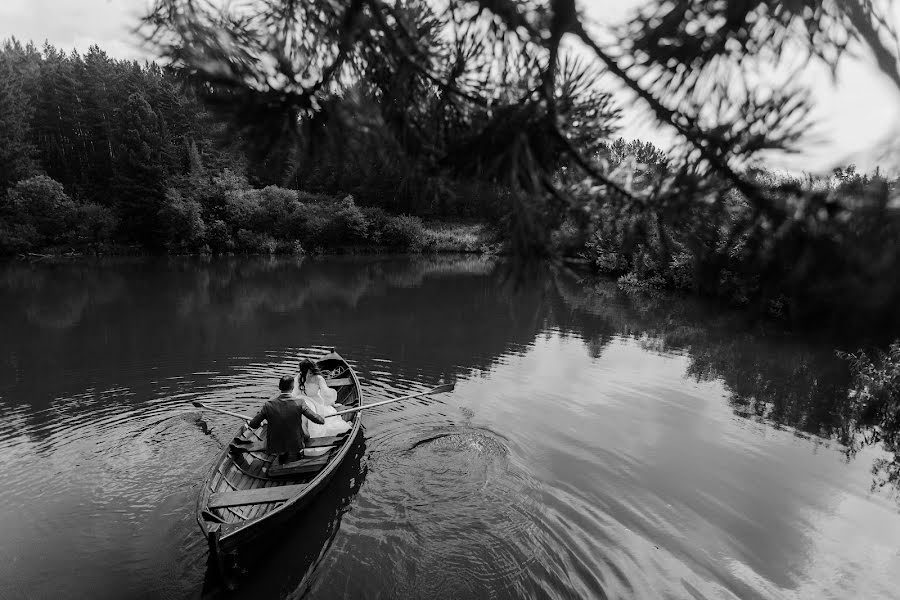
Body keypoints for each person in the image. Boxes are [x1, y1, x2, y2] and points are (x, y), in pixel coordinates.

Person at [247, 375, 325, 463]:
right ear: (292, 388)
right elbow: (317, 419)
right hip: (296, 443)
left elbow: (253, 425)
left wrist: (261, 421)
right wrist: (323, 419)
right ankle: (299, 452)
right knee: (303, 417)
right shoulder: (300, 403)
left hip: (274, 445)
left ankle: (282, 454)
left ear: (280, 387)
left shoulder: (268, 405)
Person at [294, 359, 351, 452]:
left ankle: (303, 435)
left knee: (304, 412)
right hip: (307, 400)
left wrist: (332, 403)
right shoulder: (308, 377)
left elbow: (326, 394)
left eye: (308, 371)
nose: (307, 374)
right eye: (306, 371)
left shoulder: (309, 377)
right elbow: (295, 392)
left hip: (308, 400)